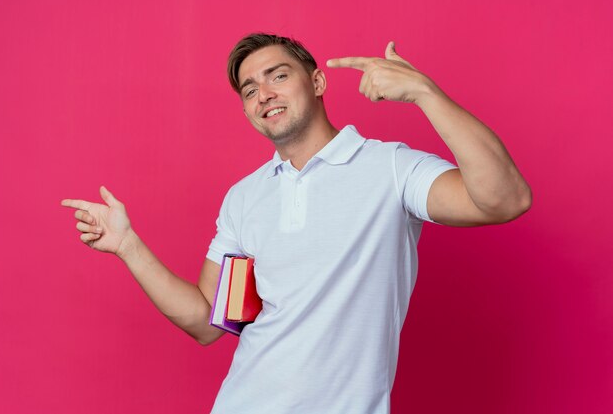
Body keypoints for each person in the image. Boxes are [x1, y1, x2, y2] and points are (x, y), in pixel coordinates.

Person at [61, 33, 531, 413]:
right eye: (249, 90)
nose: (263, 94)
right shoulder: (246, 197)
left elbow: (504, 200)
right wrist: (128, 246)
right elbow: (209, 322)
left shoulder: (390, 168)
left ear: (318, 82)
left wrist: (426, 94)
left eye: (277, 76)